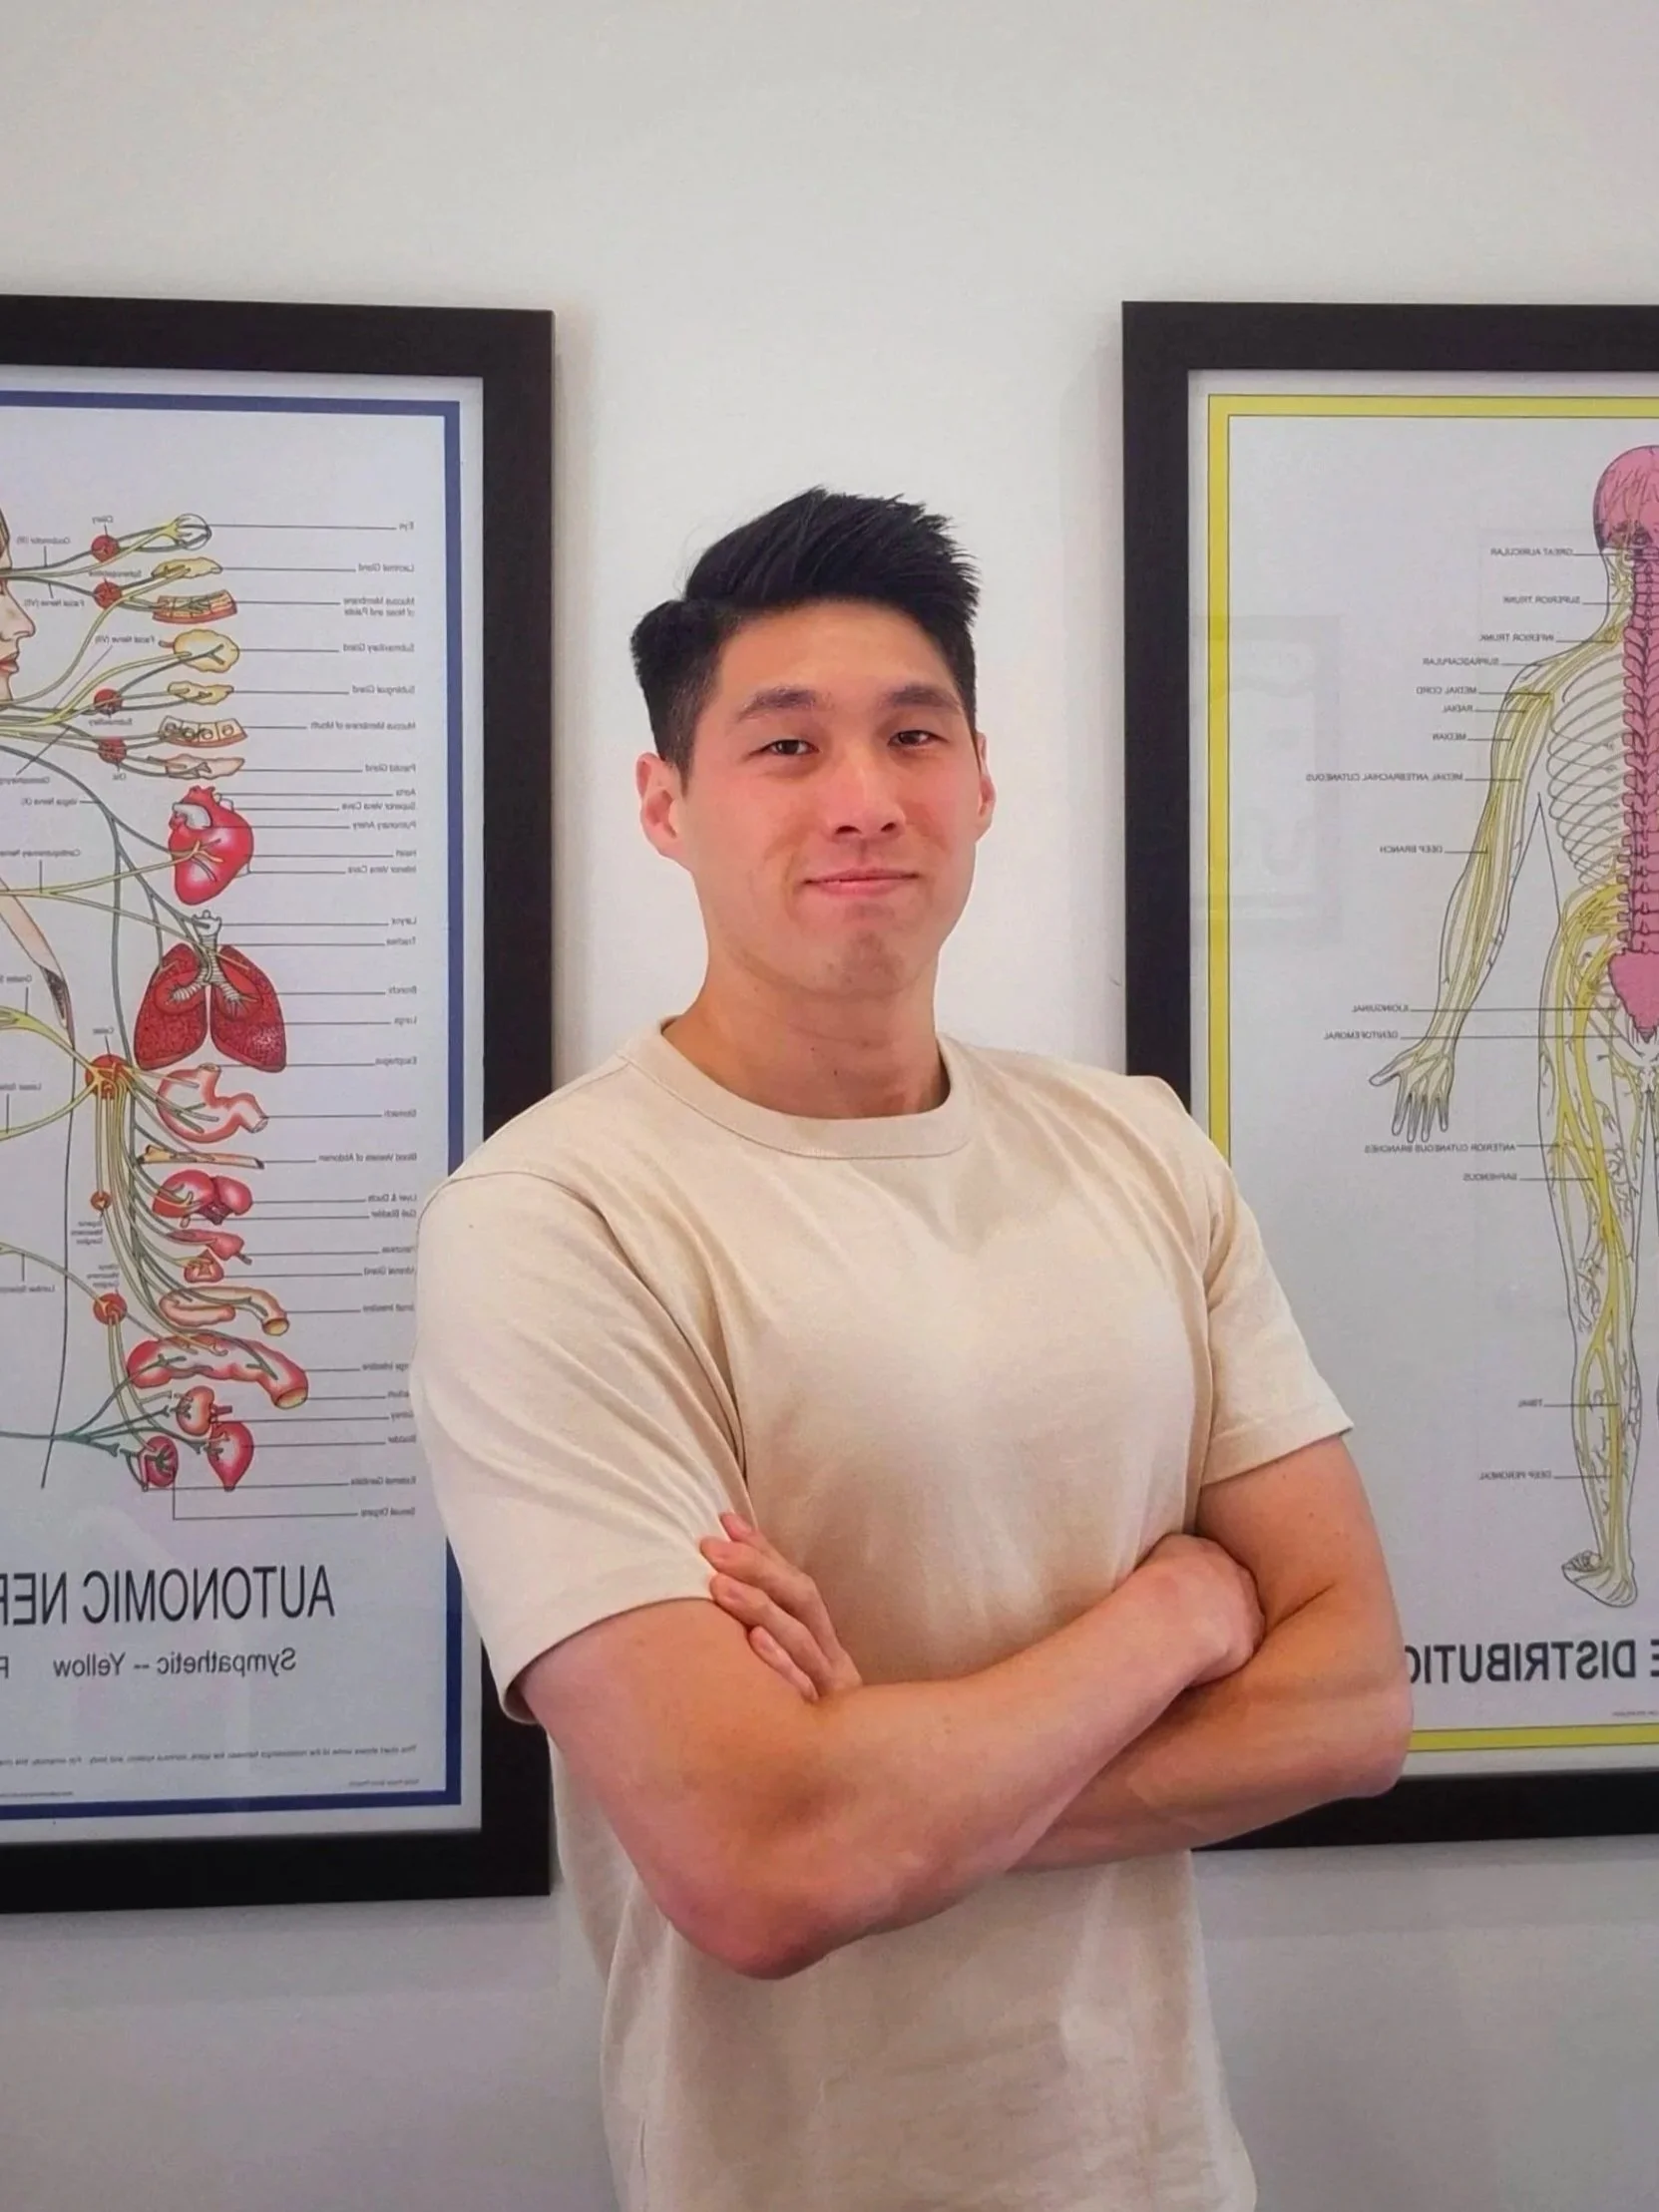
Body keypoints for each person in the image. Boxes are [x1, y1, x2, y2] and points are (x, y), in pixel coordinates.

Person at [409, 488, 1412, 2212]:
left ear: (981, 779)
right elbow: (759, 1866)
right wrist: (1171, 1614)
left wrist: (897, 1780)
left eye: (911, 734)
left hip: (1165, 2173)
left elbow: (1351, 1701)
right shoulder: (556, 1219)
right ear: (665, 803)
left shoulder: (1138, 1149)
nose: (864, 796)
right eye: (783, 744)